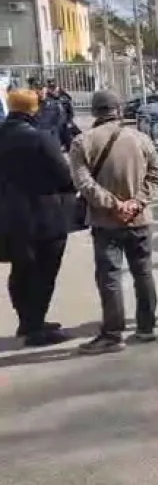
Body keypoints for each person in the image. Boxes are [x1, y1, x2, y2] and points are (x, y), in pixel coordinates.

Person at [69, 90, 158, 355]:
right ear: (119, 110)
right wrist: (136, 203)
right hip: (139, 219)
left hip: (106, 222)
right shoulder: (141, 138)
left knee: (109, 277)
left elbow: (83, 183)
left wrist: (113, 205)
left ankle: (112, 334)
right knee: (143, 272)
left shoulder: (82, 142)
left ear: (94, 112)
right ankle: (146, 327)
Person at [0, 89, 77, 347]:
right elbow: (64, 176)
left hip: (7, 216)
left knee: (20, 270)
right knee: (43, 273)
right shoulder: (40, 138)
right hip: (43, 215)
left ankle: (27, 321)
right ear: (34, 109)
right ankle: (35, 328)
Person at [28, 77, 67, 143]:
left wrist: (53, 132)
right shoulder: (30, 104)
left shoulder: (55, 103)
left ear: (46, 89)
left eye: (42, 88)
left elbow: (61, 120)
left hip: (50, 136)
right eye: (39, 89)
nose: (41, 91)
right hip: (35, 137)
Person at [47, 79, 80, 151]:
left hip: (64, 121)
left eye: (54, 88)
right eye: (51, 88)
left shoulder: (64, 96)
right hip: (53, 123)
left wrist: (69, 120)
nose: (53, 91)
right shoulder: (46, 97)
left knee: (72, 133)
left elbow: (70, 111)